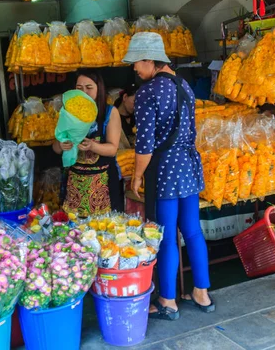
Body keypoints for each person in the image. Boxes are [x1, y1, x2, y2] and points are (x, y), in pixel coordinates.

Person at [122, 32, 214, 320]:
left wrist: (137, 176)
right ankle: (202, 293)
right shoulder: (184, 85)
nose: (134, 69)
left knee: (164, 236)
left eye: (137, 63)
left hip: (164, 169)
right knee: (192, 230)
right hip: (187, 165)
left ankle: (167, 300)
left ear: (150, 60)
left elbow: (145, 144)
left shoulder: (149, 92)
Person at [53, 69, 124, 216]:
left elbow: (112, 149)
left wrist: (93, 146)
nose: (84, 92)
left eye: (89, 88)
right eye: (79, 88)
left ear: (99, 89)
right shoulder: (68, 112)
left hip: (102, 183)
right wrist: (61, 145)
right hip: (74, 182)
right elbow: (55, 147)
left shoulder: (110, 113)